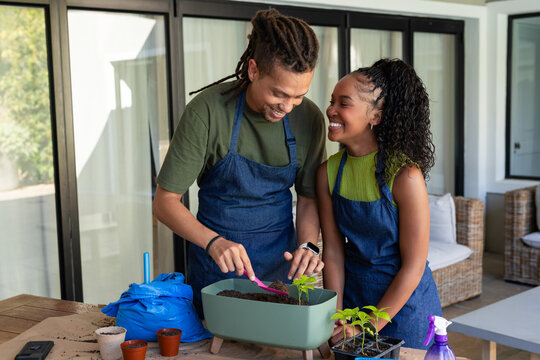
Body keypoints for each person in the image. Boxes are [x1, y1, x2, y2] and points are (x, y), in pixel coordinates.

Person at [153, 8, 326, 316]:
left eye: (299, 96)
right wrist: (214, 242)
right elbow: (165, 202)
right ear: (253, 69)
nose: (287, 107)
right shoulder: (206, 112)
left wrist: (308, 245)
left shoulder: (309, 119)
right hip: (217, 274)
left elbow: (309, 197)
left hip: (282, 274)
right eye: (279, 93)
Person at [317, 58, 442, 349]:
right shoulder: (328, 173)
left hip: (405, 309)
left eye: (343, 103)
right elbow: (333, 252)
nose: (330, 110)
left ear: (376, 115)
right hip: (353, 303)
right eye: (332, 100)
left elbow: (413, 266)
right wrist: (336, 316)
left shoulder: (405, 176)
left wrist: (368, 326)